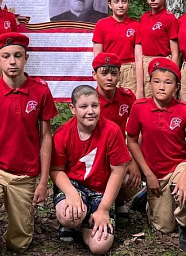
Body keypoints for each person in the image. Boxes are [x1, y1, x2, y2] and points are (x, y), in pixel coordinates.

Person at [0, 32, 58, 255]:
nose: (12, 61)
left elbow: (46, 137)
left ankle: (17, 230)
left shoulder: (40, 91)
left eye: (17, 55)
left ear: (26, 57)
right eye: (6, 56)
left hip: (25, 173)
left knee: (19, 244)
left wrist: (44, 181)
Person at [126, 58, 186, 249]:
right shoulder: (139, 107)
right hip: (154, 172)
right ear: (150, 83)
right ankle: (146, 199)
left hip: (178, 165)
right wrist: (148, 174)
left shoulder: (185, 109)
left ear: (177, 86)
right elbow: (132, 140)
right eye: (156, 81)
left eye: (168, 82)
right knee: (164, 227)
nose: (161, 87)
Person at [50, 85, 131, 254]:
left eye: (94, 106)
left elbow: (118, 171)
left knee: (99, 246)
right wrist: (71, 194)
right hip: (74, 185)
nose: (90, 111)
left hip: (100, 190)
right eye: (83, 106)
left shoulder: (112, 131)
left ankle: (89, 221)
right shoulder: (62, 133)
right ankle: (73, 223)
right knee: (69, 215)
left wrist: (103, 209)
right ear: (72, 108)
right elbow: (56, 169)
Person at [91, 53, 141, 217]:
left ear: (120, 75)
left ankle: (118, 199)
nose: (109, 78)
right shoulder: (89, 100)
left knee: (134, 179)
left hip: (120, 152)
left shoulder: (127, 97)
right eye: (104, 73)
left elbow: (133, 133)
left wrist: (131, 160)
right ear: (94, 75)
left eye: (114, 73)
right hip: (95, 153)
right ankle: (99, 201)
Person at [93, 0, 144, 98]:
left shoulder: (136, 25)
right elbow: (97, 57)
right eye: (116, 2)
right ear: (110, 5)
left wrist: (140, 88)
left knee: (130, 105)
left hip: (130, 71)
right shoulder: (101, 25)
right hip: (109, 70)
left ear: (128, 4)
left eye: (124, 1)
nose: (120, 5)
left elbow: (139, 58)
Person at [139, 0, 180, 98]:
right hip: (146, 62)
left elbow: (175, 53)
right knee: (147, 99)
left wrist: (173, 73)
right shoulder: (144, 18)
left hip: (164, 62)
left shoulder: (170, 18)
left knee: (164, 97)